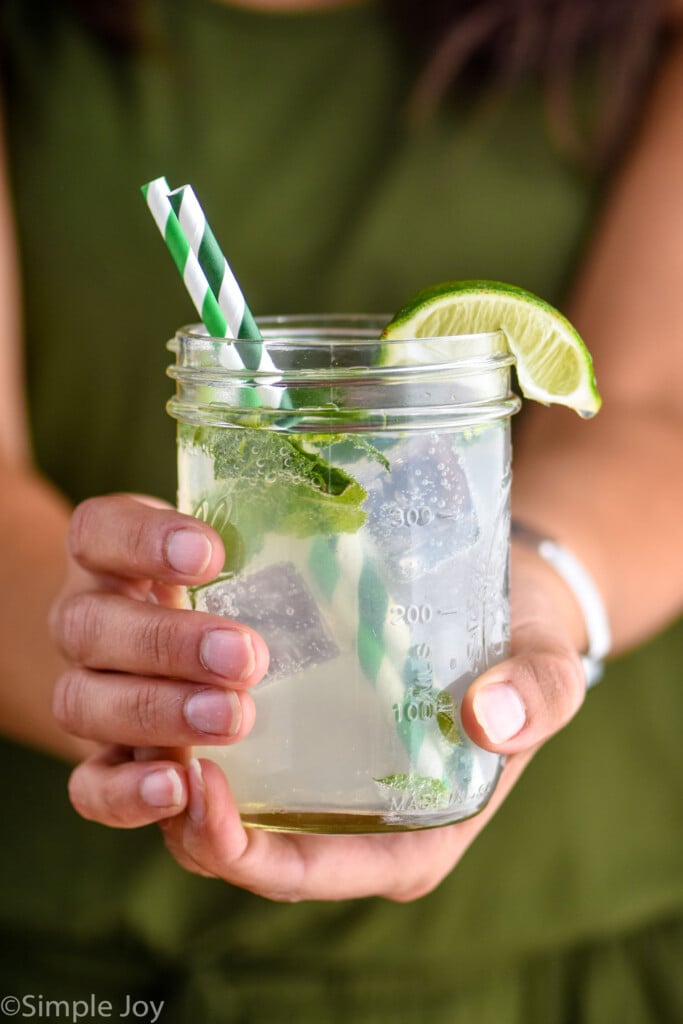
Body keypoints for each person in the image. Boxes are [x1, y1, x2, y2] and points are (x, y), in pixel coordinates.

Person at [0, 0, 681, 1018]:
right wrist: (119, 651)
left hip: (549, 944)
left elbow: (650, 407)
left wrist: (526, 594)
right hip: (80, 958)